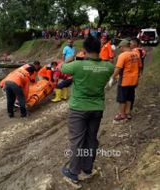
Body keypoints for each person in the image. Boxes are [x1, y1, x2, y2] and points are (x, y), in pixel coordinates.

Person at [60, 36, 114, 188]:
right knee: (91, 139)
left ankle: (73, 173)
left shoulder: (77, 65)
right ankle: (88, 169)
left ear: (84, 50)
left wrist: (69, 59)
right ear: (99, 49)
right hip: (97, 108)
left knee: (77, 140)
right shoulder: (108, 67)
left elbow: (61, 69)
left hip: (78, 109)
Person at [111, 40, 141, 123]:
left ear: (122, 47)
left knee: (122, 98)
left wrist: (112, 77)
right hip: (133, 80)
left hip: (124, 80)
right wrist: (138, 77)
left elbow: (118, 68)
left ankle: (122, 115)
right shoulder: (136, 54)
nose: (119, 49)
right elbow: (139, 67)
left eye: (120, 48)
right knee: (129, 97)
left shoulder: (123, 55)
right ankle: (128, 113)